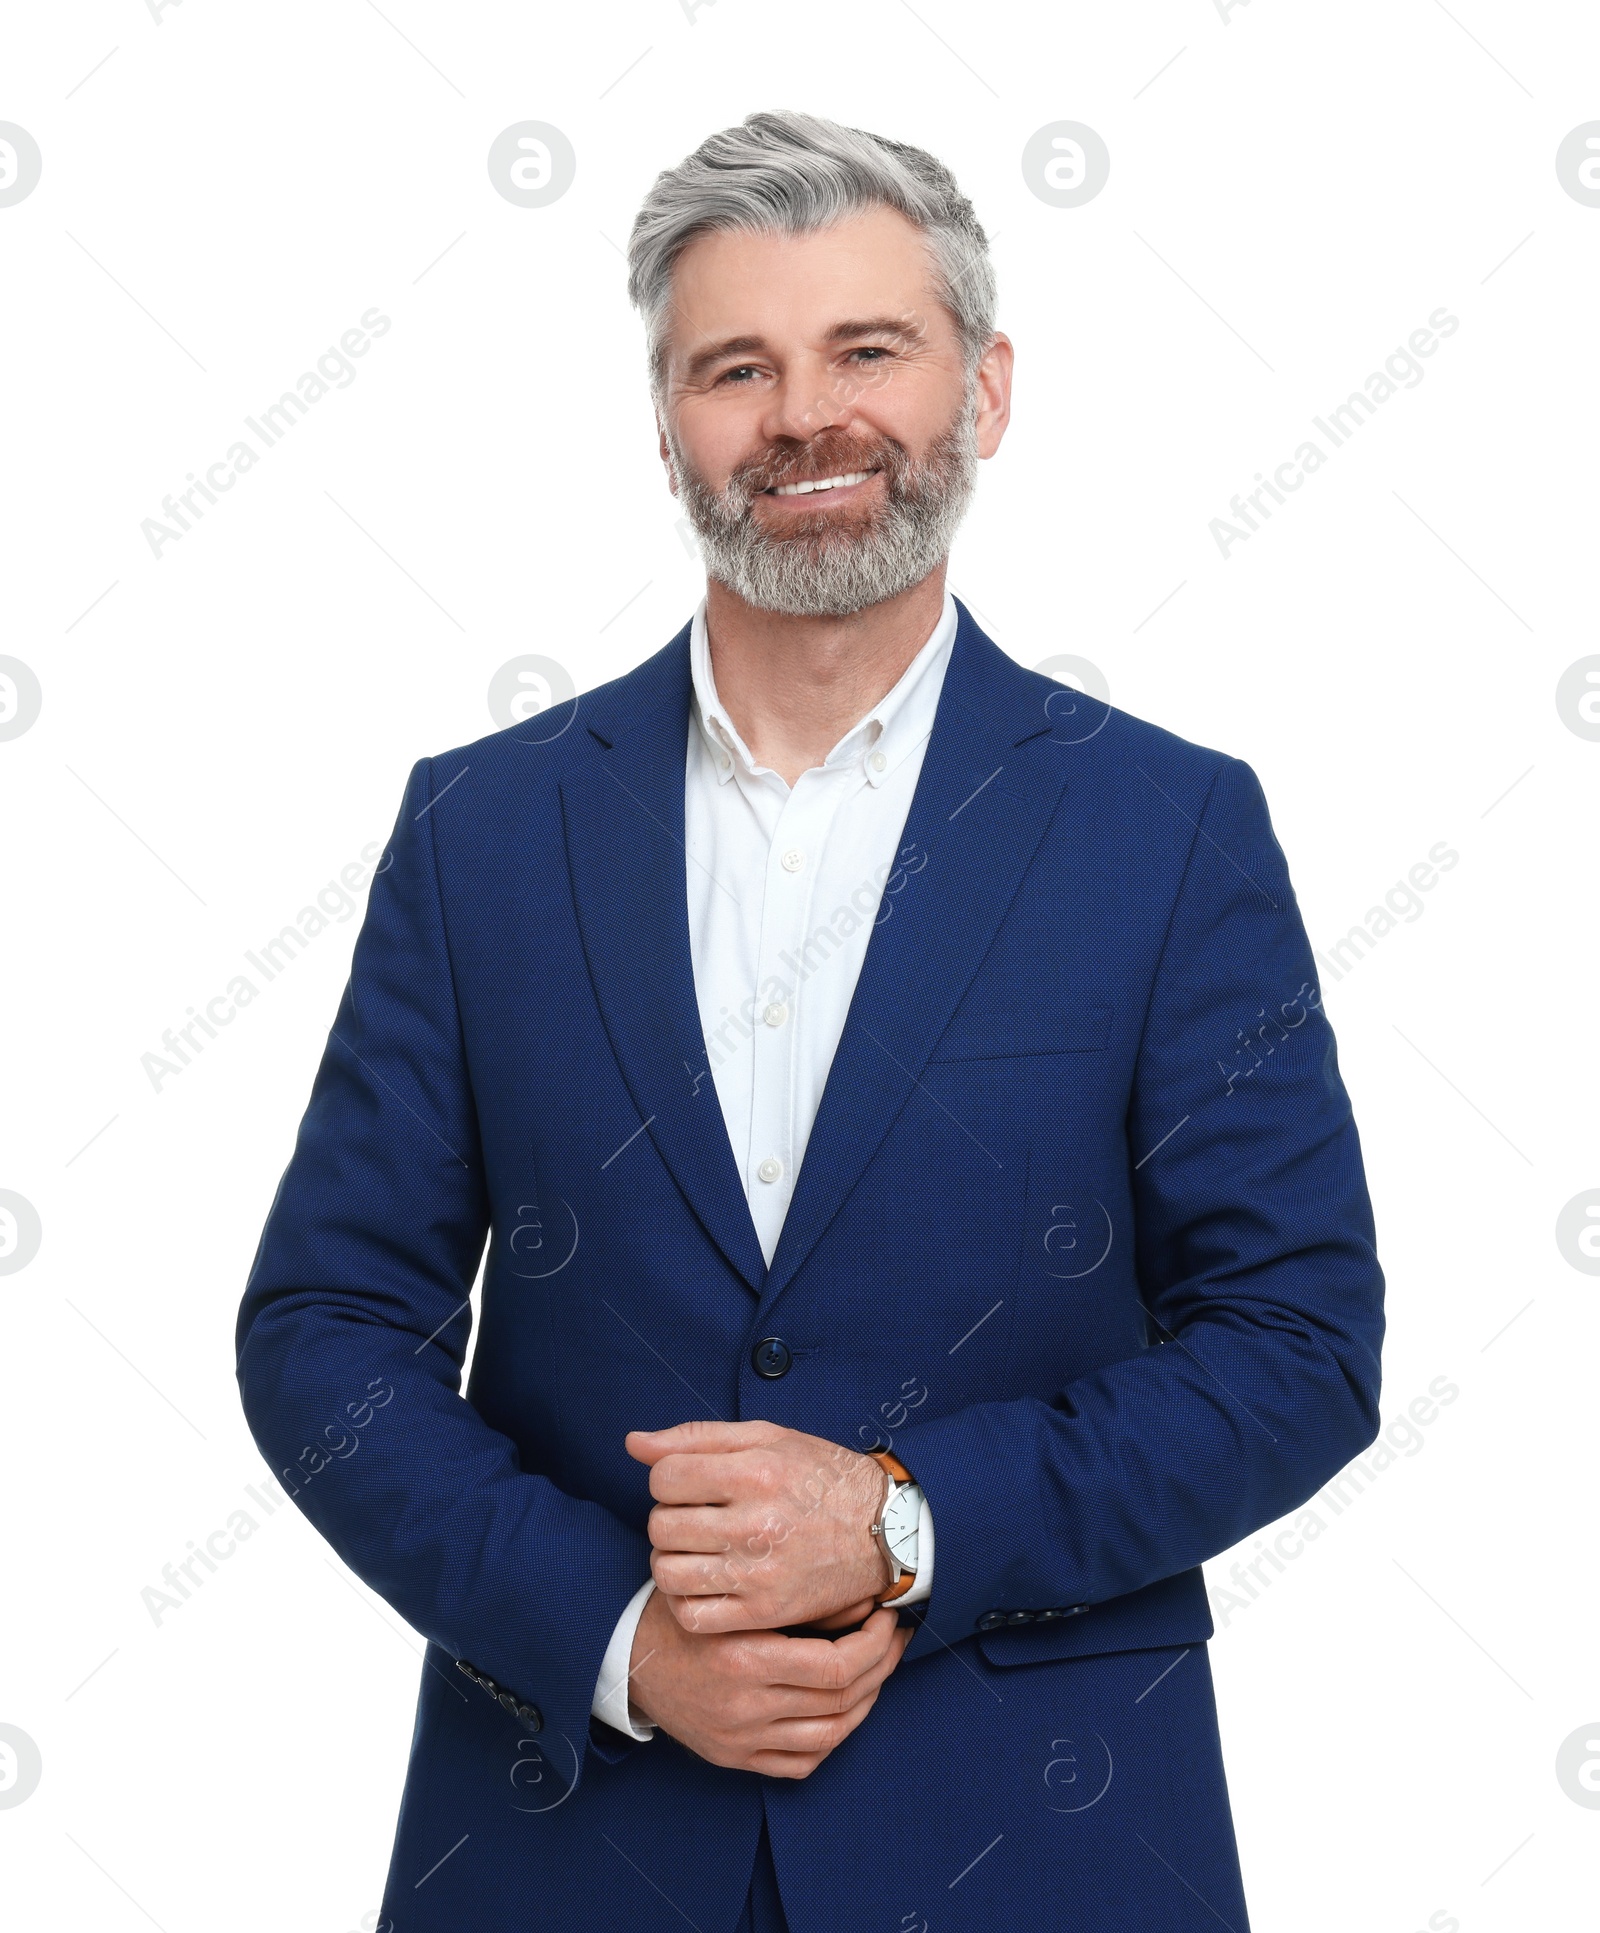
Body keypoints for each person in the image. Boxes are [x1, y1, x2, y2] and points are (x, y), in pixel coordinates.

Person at [235, 108, 1384, 1933]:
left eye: (868, 350)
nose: (804, 418)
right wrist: (611, 1633)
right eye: (736, 367)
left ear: (984, 389)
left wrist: (905, 1519)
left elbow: (1300, 1344)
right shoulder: (485, 832)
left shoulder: (1167, 833)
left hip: (1049, 1851)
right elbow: (325, 1330)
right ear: (670, 422)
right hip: (566, 1841)